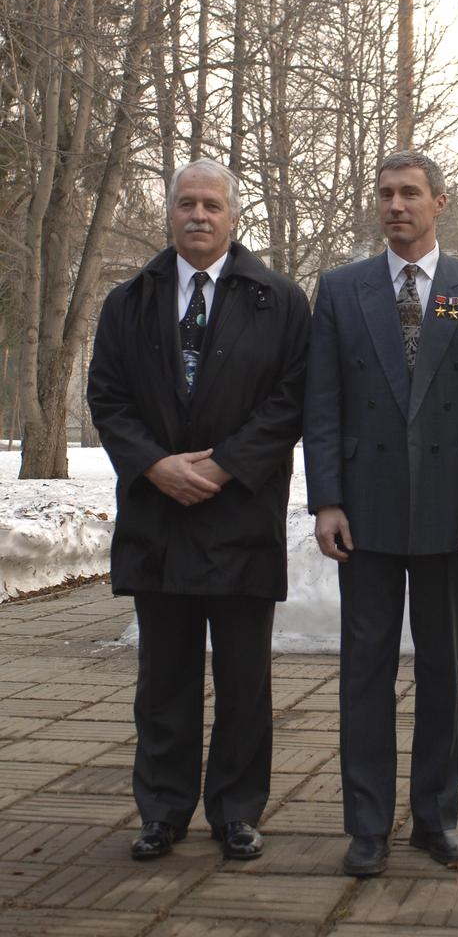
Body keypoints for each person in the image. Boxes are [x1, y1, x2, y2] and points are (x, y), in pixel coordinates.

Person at [88, 159, 310, 863]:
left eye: (212, 204)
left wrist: (223, 464)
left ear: (233, 215)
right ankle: (162, 809)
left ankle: (237, 811)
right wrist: (156, 465)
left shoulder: (277, 299)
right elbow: (109, 399)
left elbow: (292, 398)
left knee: (244, 680)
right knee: (164, 679)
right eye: (186, 203)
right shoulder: (130, 300)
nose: (198, 215)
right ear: (170, 214)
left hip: (239, 512)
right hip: (158, 517)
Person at [303, 151, 458, 878]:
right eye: (386, 194)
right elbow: (322, 404)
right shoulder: (340, 289)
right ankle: (366, 827)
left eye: (410, 194)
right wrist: (326, 498)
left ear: (439, 202)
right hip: (362, 511)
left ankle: (437, 820)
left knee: (442, 672)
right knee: (364, 671)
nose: (396, 205)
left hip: (449, 511)